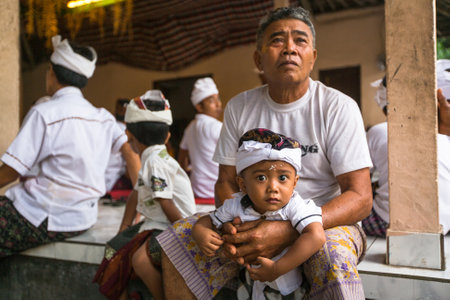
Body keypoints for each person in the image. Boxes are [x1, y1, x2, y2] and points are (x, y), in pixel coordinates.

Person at [157, 7, 373, 300]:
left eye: (300, 41)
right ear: (258, 59)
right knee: (182, 242)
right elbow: (226, 182)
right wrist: (237, 226)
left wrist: (288, 229)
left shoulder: (337, 107)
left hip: (324, 221)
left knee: (331, 255)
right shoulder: (239, 107)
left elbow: (360, 197)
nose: (289, 49)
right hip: (251, 216)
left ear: (313, 57)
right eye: (277, 41)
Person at [0, 35, 139, 257]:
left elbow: (11, 172)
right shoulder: (102, 117)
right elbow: (131, 154)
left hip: (47, 216)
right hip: (83, 217)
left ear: (52, 74)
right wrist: (143, 199)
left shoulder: (44, 113)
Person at [193, 128, 325, 300]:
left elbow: (316, 236)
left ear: (295, 183)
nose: (273, 187)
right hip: (250, 284)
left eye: (283, 178)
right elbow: (208, 221)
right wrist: (200, 231)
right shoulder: (238, 204)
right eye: (261, 178)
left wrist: (277, 268)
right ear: (243, 184)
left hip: (287, 288)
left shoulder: (295, 206)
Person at [93, 90, 196, 300]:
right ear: (167, 136)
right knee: (114, 247)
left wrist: (191, 236)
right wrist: (123, 228)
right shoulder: (152, 159)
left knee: (139, 260)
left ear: (129, 137)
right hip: (157, 223)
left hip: (173, 224)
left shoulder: (155, 162)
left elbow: (165, 202)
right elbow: (135, 194)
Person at [362, 61, 450, 236]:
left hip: (391, 222)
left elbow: (359, 183)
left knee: (350, 212)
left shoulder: (378, 131)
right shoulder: (445, 137)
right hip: (444, 224)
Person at [178, 77, 223, 212]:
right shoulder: (218, 127)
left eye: (218, 99)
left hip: (196, 192)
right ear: (199, 107)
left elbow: (182, 159)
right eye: (211, 101)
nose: (218, 104)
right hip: (218, 192)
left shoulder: (190, 127)